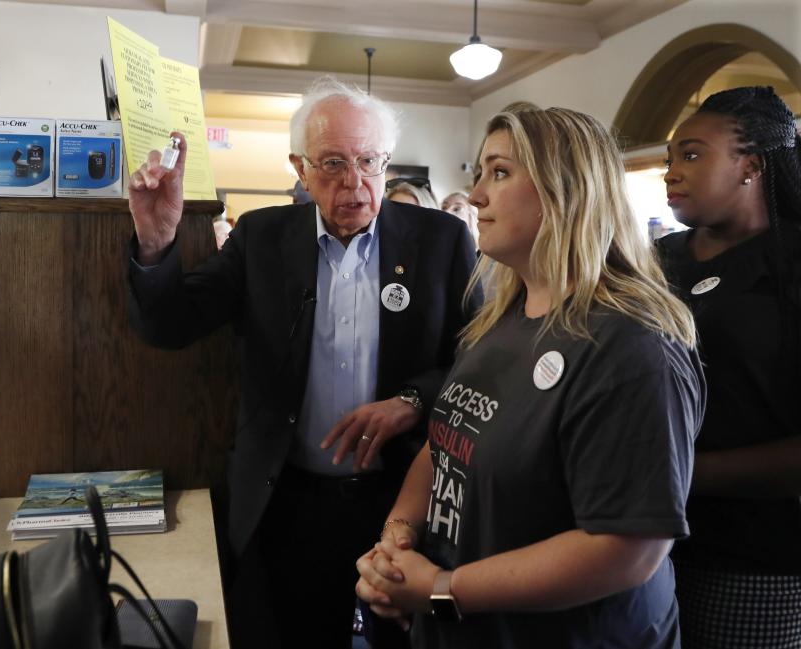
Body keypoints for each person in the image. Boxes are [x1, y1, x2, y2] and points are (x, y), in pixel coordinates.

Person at [125, 77, 479, 649]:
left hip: (403, 499)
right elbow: (171, 327)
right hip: (291, 501)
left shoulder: (440, 241)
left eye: (369, 160)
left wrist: (412, 401)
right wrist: (155, 240)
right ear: (300, 167)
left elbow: (477, 362)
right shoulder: (263, 237)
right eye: (333, 163)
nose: (355, 182)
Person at [355, 104, 705, 648]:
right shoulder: (501, 318)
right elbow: (447, 442)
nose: (475, 197)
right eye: (479, 175)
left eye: (499, 172)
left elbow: (626, 548)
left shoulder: (631, 345)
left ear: (565, 189)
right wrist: (397, 541)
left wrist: (445, 589)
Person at [658, 86, 801, 649]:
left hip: (751, 555)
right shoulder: (659, 258)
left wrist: (676, 476)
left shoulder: (791, 265)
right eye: (670, 158)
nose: (672, 171)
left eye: (691, 155)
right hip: (642, 539)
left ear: (752, 164)